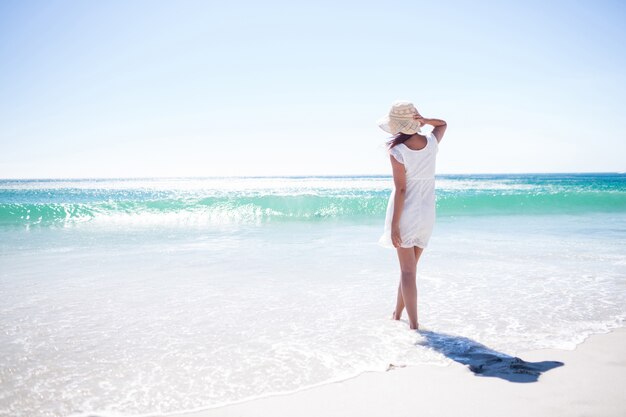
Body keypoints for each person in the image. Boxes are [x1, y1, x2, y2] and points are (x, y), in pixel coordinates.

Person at [376, 100, 447, 330]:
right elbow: (443, 124)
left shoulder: (397, 150)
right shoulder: (430, 143)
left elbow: (401, 189)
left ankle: (414, 325)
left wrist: (395, 225)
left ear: (398, 125)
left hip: (406, 212)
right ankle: (397, 314)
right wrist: (425, 121)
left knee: (407, 271)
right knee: (409, 270)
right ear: (414, 122)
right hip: (427, 212)